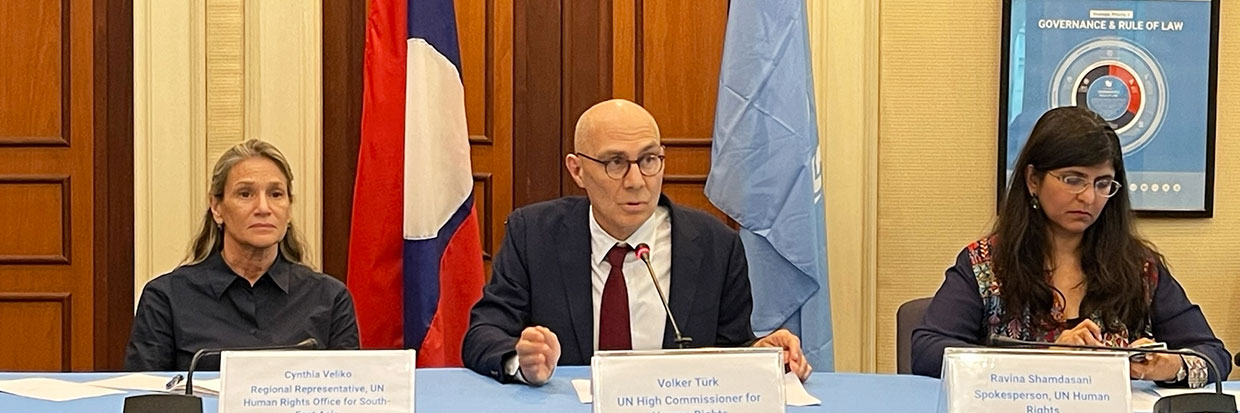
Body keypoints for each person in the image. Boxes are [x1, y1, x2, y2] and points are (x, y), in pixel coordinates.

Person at [462, 99, 811, 385]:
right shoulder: (534, 235)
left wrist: (763, 355)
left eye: (648, 160)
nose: (636, 181)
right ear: (577, 170)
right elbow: (483, 334)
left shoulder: (715, 245)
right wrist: (521, 360)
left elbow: (730, 347)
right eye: (615, 162)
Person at [911, 107, 1230, 387]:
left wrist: (1170, 366)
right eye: (1073, 179)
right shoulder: (987, 263)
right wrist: (1042, 361)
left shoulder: (1138, 267)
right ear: (1033, 180)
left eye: (1102, 183)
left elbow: (1215, 357)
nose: (1089, 198)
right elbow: (926, 350)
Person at [124, 139, 359, 371]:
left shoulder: (329, 299)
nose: (264, 208)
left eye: (276, 194)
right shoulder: (167, 298)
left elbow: (349, 396)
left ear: (288, 209)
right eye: (246, 194)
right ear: (217, 207)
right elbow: (146, 398)